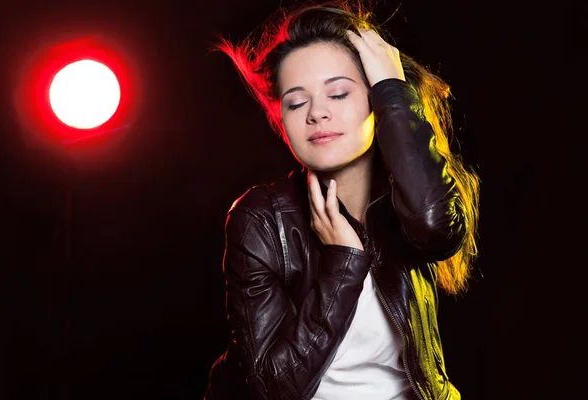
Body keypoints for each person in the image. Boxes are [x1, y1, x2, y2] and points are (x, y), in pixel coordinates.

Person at [204, 1, 480, 399]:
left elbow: (436, 227)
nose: (316, 113)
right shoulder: (261, 219)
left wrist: (394, 92)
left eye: (338, 94)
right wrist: (343, 261)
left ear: (376, 103)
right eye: (296, 102)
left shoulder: (408, 200)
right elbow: (273, 388)